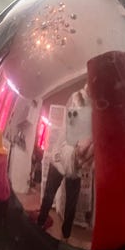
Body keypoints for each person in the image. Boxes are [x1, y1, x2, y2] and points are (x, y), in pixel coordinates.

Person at [37, 86, 93, 240]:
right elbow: (70, 129)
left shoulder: (91, 113)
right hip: (62, 159)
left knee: (69, 203)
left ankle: (63, 233)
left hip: (74, 164)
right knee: (51, 195)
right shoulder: (78, 100)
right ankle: (43, 223)